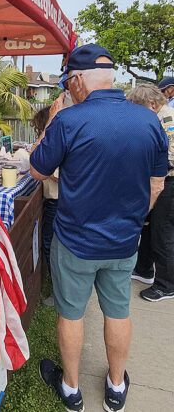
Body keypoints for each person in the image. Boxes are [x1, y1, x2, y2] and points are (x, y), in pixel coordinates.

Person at [30, 44, 168, 412]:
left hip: (76, 240)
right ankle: (116, 386)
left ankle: (72, 390)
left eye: (68, 82)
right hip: (124, 241)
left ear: (77, 81)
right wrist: (136, 220)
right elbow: (157, 184)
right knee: (118, 311)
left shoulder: (68, 120)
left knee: (71, 314)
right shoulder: (149, 120)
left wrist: (55, 117)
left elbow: (37, 169)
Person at [126, 84, 174, 301]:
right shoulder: (153, 118)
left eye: (138, 108)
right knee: (148, 227)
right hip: (154, 181)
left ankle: (167, 285)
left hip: (168, 183)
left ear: (152, 104)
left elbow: (170, 156)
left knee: (163, 234)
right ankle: (144, 269)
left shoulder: (167, 119)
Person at [31, 106, 58, 306]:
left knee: (51, 245)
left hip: (58, 202)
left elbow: (57, 175)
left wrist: (43, 169)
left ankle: (59, 292)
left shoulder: (54, 140)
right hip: (57, 201)